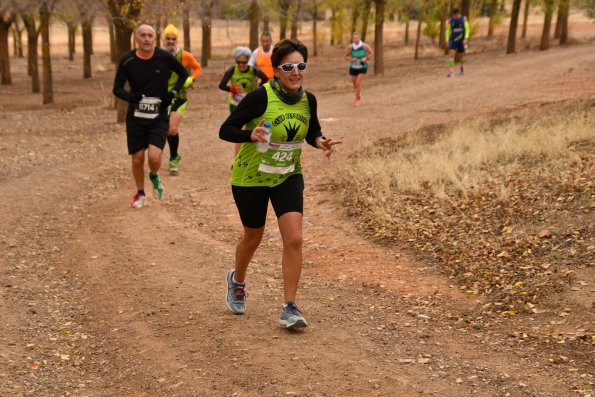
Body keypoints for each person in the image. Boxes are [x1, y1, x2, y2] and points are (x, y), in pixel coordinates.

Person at [219, 39, 342, 330]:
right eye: (288, 66)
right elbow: (225, 130)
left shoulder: (308, 100)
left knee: (295, 238)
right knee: (253, 236)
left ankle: (290, 307)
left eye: (301, 65)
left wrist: (320, 141)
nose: (295, 71)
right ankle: (237, 281)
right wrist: (250, 135)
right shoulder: (259, 98)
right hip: (251, 177)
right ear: (275, 70)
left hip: (287, 175)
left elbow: (312, 130)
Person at [113, 23, 189, 208]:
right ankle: (140, 193)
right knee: (137, 158)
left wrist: (172, 94)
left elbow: (183, 74)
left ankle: (154, 175)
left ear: (155, 39)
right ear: (136, 38)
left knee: (154, 158)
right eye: (143, 35)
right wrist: (132, 97)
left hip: (158, 116)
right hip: (136, 117)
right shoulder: (127, 60)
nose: (147, 39)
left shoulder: (164, 57)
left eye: (150, 36)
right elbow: (116, 89)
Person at [162, 24, 202, 175]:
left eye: (173, 39)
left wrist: (191, 79)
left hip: (179, 96)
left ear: (177, 40)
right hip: (162, 97)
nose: (170, 41)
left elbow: (197, 67)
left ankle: (173, 158)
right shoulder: (158, 54)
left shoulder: (184, 55)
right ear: (163, 39)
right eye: (168, 38)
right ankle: (175, 155)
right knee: (166, 130)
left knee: (172, 129)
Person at [219, 46, 269, 155]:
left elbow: (265, 78)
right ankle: (237, 159)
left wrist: (257, 90)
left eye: (244, 62)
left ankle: (248, 153)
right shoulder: (233, 70)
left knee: (250, 128)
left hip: (250, 105)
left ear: (248, 60)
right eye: (238, 62)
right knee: (239, 130)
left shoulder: (253, 70)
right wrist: (232, 89)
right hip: (235, 104)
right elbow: (221, 85)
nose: (241, 64)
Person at [344, 32, 373, 108]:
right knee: (355, 84)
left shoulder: (364, 46)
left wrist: (366, 58)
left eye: (357, 38)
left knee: (358, 83)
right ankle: (358, 94)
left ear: (360, 38)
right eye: (354, 38)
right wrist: (351, 59)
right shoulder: (350, 47)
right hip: (353, 67)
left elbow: (371, 53)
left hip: (362, 67)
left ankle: (357, 99)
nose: (355, 40)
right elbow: (345, 56)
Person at [445, 7, 470, 77]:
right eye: (454, 15)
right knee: (451, 54)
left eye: (456, 15)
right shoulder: (451, 20)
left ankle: (462, 67)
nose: (455, 16)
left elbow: (467, 29)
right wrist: (447, 39)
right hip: (453, 40)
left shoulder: (463, 19)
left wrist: (466, 38)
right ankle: (451, 71)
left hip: (461, 40)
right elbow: (448, 30)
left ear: (459, 14)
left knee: (461, 56)